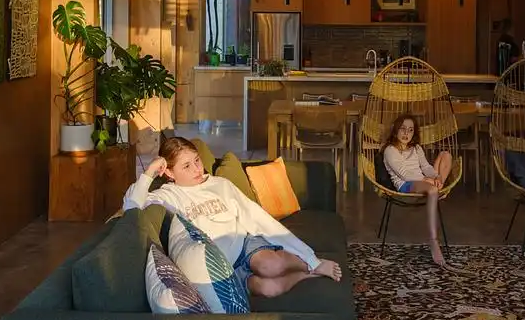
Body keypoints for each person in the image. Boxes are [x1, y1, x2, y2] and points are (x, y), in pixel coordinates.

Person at [123, 137, 341, 298]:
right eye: (186, 166)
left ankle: (311, 264)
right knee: (269, 289)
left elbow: (258, 219)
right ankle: (307, 275)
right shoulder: (167, 196)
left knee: (269, 265)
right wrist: (150, 172)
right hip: (223, 267)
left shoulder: (220, 185)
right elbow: (131, 206)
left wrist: (311, 257)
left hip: (244, 245)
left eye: (197, 160)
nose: (197, 169)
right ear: (169, 173)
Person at [381, 112, 453, 266]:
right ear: (396, 129)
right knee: (432, 190)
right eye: (403, 129)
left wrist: (437, 177)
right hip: (406, 185)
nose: (406, 133)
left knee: (445, 155)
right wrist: (426, 181)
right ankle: (433, 240)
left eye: (410, 130)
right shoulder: (390, 150)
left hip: (422, 180)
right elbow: (405, 175)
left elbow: (426, 167)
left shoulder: (416, 148)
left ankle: (439, 186)